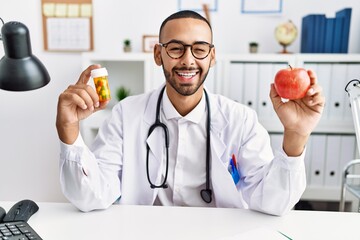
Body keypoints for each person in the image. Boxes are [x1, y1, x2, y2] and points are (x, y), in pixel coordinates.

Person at [56, 10, 325, 216]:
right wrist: (69, 131)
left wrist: (296, 133)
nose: (188, 60)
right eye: (175, 48)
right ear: (158, 54)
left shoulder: (240, 119)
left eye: (199, 49)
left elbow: (272, 202)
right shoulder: (128, 115)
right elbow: (93, 196)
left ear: (212, 56)